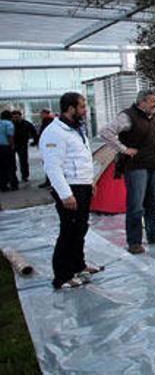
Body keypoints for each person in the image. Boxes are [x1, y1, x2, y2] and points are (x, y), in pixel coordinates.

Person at [39, 92, 101, 289]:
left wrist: (89, 181)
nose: (85, 110)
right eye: (82, 107)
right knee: (68, 231)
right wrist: (66, 194)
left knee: (80, 228)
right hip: (69, 188)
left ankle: (78, 265)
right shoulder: (54, 133)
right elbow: (52, 166)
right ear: (70, 108)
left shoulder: (75, 129)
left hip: (82, 185)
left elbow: (81, 158)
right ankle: (62, 276)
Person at [99, 90, 155, 254]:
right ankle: (134, 242)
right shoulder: (127, 117)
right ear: (142, 102)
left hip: (154, 165)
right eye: (152, 101)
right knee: (136, 206)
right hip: (136, 168)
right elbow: (105, 132)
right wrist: (124, 149)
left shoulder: (154, 116)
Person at [11, 110, 38, 183]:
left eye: (17, 117)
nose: (15, 119)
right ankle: (13, 177)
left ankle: (25, 176)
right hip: (12, 144)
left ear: (20, 116)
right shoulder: (10, 124)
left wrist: (35, 141)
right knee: (12, 162)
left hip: (22, 144)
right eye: (13, 117)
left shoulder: (26, 124)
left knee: (23, 161)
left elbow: (34, 132)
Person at [38, 109, 56, 188]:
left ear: (45, 114)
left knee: (50, 164)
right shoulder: (50, 121)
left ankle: (51, 182)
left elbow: (46, 134)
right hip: (49, 145)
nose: (40, 115)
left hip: (49, 146)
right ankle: (49, 181)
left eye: (41, 114)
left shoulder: (48, 121)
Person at [0, 110, 17, 192]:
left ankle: (3, 185)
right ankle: (13, 184)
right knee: (11, 166)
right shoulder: (9, 124)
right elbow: (10, 136)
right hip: (6, 147)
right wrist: (12, 145)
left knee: (2, 167)